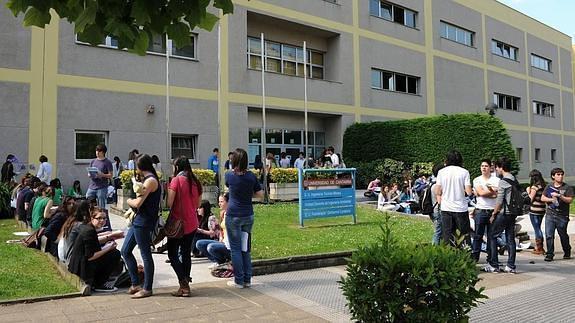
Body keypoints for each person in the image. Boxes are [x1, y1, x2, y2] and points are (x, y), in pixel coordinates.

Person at [121, 154, 161, 299]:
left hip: (144, 222)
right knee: (125, 251)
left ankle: (147, 288)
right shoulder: (147, 179)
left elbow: (137, 203)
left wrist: (130, 200)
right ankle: (135, 283)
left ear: (139, 167)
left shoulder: (150, 181)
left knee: (145, 254)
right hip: (138, 221)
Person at [225, 148, 264, 288]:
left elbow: (228, 189)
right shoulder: (251, 176)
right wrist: (249, 195)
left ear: (233, 160)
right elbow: (260, 195)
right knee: (245, 248)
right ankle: (247, 279)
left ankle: (239, 281)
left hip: (233, 215)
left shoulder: (229, 175)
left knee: (235, 249)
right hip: (248, 215)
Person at [166, 156, 202, 297]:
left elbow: (169, 203)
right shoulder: (195, 181)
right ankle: (185, 283)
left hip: (177, 223)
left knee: (172, 254)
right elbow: (198, 205)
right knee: (186, 253)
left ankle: (184, 284)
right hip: (192, 223)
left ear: (177, 167)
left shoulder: (176, 180)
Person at [68, 207, 122, 292]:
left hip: (80, 264)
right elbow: (91, 256)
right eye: (99, 218)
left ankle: (98, 281)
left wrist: (109, 237)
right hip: (82, 269)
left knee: (113, 253)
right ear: (92, 218)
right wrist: (108, 248)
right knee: (115, 254)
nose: (102, 221)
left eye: (104, 218)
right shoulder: (89, 231)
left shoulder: (89, 228)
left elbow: (94, 243)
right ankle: (99, 284)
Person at [486, 157, 518, 273]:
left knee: (492, 235)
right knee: (510, 238)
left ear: (500, 168)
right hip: (513, 213)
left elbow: (499, 201)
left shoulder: (503, 181)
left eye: (496, 168)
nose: (496, 171)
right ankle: (511, 266)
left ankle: (494, 265)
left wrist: (494, 214)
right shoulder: (514, 179)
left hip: (504, 213)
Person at [434, 150, 472, 248]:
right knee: (463, 235)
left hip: (446, 208)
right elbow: (469, 192)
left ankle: (450, 257)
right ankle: (465, 257)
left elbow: (437, 191)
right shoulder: (464, 172)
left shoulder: (441, 172)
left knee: (448, 235)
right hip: (461, 208)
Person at [541, 167, 574, 262]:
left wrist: (560, 196)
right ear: (553, 176)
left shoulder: (567, 187)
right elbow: (543, 198)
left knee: (562, 234)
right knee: (549, 235)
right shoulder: (549, 186)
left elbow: (570, 200)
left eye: (561, 174)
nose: (560, 176)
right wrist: (551, 199)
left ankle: (567, 250)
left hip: (562, 215)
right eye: (558, 174)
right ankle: (550, 254)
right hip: (550, 214)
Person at [471, 159, 499, 263]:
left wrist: (486, 192)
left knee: (492, 237)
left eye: (486, 166)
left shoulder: (496, 180)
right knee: (478, 235)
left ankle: (492, 259)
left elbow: (497, 195)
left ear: (490, 168)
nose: (483, 168)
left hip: (492, 211)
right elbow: (481, 193)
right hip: (480, 210)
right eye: (482, 166)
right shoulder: (477, 180)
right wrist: (492, 191)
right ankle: (475, 258)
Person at [196, 193, 230, 268]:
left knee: (210, 247)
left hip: (229, 245)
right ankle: (218, 262)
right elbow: (221, 229)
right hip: (223, 241)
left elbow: (213, 233)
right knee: (199, 243)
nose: (219, 204)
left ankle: (223, 261)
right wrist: (221, 237)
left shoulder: (232, 215)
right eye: (219, 201)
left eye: (221, 202)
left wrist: (200, 230)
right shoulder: (223, 213)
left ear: (228, 202)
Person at [59, 200, 90, 265]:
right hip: (73, 259)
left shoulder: (71, 220)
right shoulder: (79, 225)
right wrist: (108, 236)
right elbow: (92, 239)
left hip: (67, 255)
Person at [526, 169, 546, 255]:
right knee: (539, 228)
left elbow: (530, 199)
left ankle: (540, 248)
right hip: (542, 209)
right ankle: (540, 247)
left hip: (534, 210)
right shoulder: (543, 186)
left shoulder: (535, 187)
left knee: (537, 229)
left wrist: (528, 191)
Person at [430, 163, 444, 245]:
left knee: (439, 231)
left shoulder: (432, 183)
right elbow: (440, 199)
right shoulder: (437, 185)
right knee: (438, 231)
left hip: (434, 210)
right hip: (438, 210)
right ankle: (434, 248)